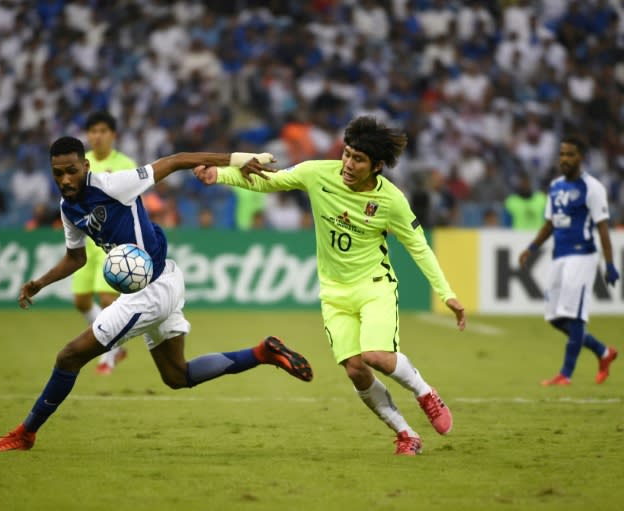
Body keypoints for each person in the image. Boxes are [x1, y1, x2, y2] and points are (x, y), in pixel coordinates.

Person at [0, 137, 313, 452]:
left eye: (72, 170)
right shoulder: (68, 208)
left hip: (152, 290)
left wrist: (238, 160)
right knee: (176, 375)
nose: (66, 179)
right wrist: (39, 283)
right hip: (161, 281)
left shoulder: (114, 185)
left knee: (69, 356)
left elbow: (176, 161)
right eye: (58, 173)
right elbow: (76, 257)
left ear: (85, 166)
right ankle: (263, 353)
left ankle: (25, 433)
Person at [194, 116, 466, 455]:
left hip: (374, 285)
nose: (348, 165)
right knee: (355, 369)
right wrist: (217, 174)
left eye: (359, 159)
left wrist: (447, 294)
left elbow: (418, 246)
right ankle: (406, 433)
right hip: (334, 293)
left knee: (376, 355)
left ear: (377, 166)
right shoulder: (317, 173)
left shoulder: (391, 201)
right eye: (347, 154)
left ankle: (425, 393)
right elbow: (269, 181)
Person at [518, 135, 619, 386]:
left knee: (574, 316)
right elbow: (550, 223)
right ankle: (603, 352)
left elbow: (603, 228)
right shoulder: (556, 187)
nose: (564, 159)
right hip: (559, 256)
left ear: (581, 157)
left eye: (570, 154)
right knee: (554, 317)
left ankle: (566, 373)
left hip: (582, 255)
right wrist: (531, 247)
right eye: (562, 154)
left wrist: (609, 264)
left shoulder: (592, 187)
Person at [75, 112, 138, 375]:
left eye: (102, 131)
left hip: (111, 243)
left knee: (107, 299)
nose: (97, 136)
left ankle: (109, 355)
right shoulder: (81, 163)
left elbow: (134, 201)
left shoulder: (125, 163)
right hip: (84, 241)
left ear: (113, 135)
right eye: (92, 131)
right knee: (81, 301)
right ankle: (116, 346)